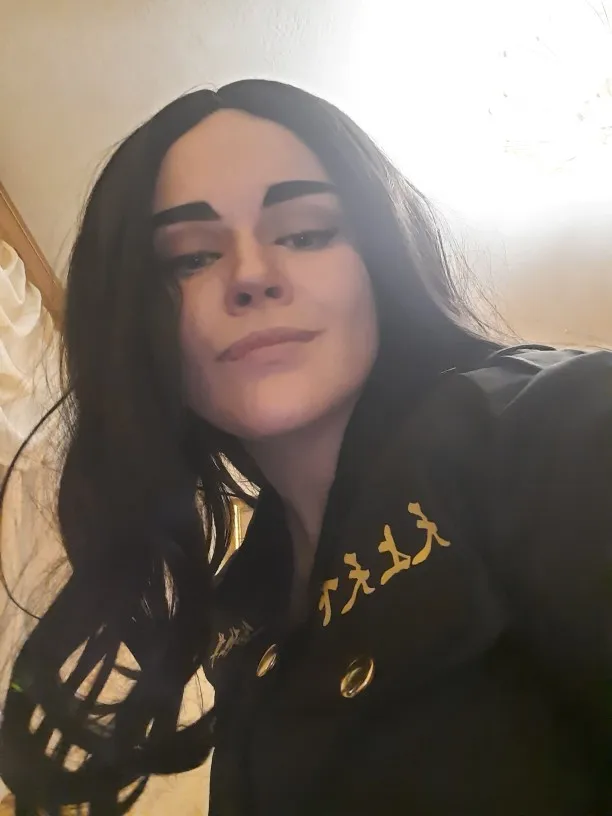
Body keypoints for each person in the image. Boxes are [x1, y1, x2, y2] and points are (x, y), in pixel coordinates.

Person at [0, 78, 611, 816]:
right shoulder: (241, 616)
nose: (252, 275)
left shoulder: (549, 421)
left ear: (380, 259)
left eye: (306, 233)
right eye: (190, 258)